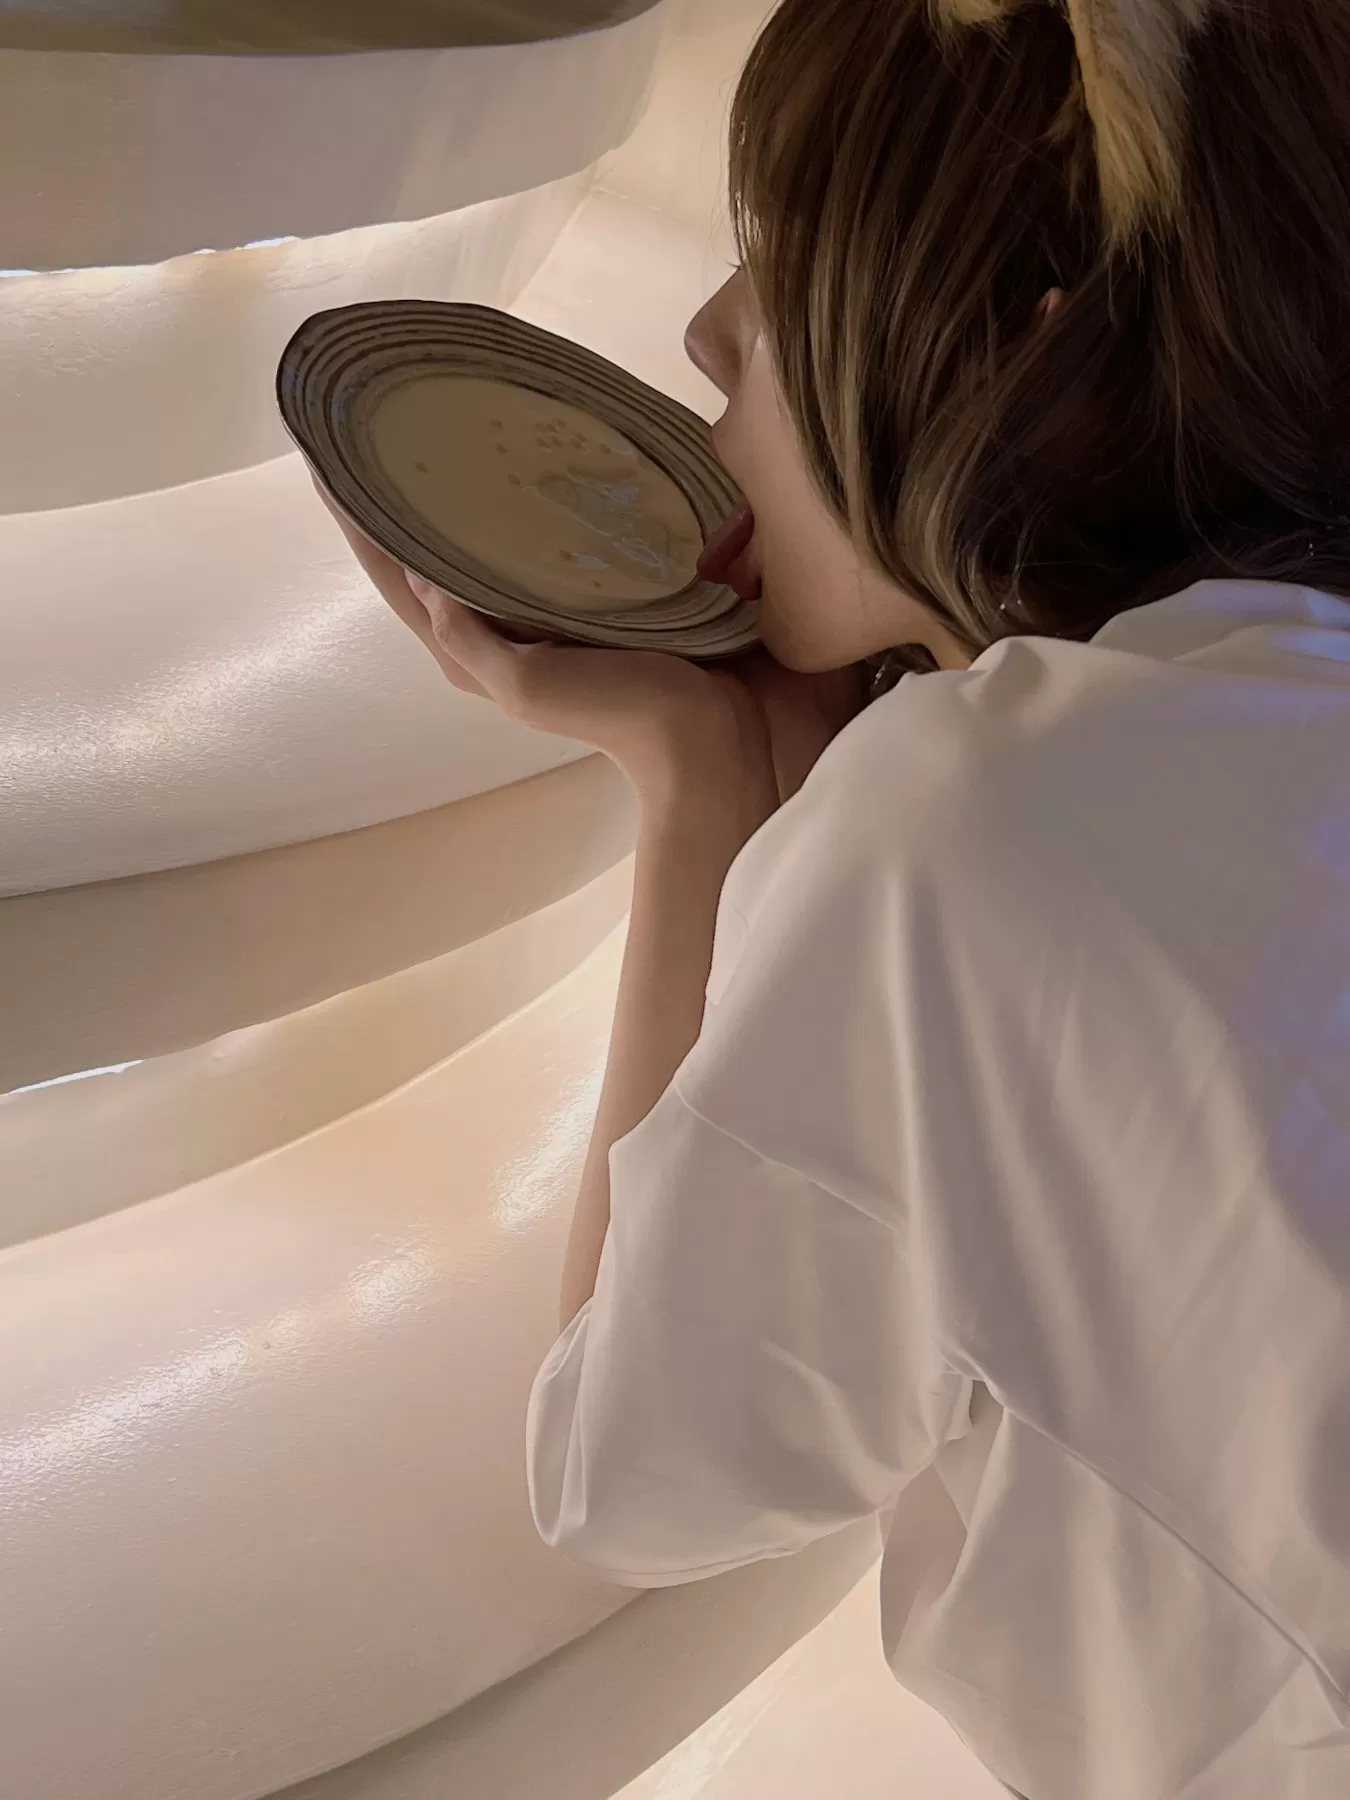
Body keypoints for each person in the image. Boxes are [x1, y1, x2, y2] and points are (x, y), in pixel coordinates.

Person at [325, 1, 1350, 1793]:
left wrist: (702, 787)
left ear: (1028, 357)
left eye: (783, 257)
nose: (709, 330)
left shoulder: (975, 828)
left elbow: (631, 1472)